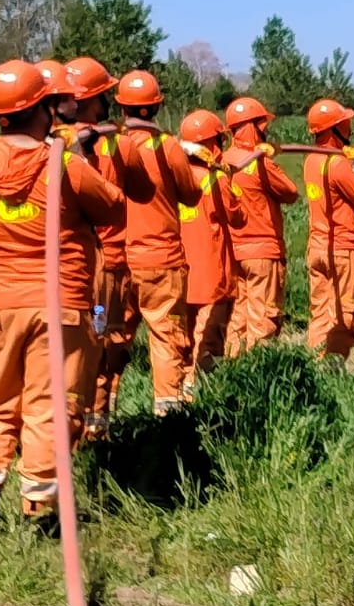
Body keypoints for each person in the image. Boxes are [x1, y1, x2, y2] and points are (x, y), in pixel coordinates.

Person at [0, 60, 123, 540]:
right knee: (48, 407)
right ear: (46, 108)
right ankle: (39, 515)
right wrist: (79, 154)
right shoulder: (64, 164)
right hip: (59, 306)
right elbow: (111, 204)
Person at [65, 56, 143, 438]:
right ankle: (94, 430)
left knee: (77, 347)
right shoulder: (117, 145)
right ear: (93, 98)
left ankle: (78, 429)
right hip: (109, 263)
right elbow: (141, 192)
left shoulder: (51, 145)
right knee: (107, 346)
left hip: (70, 266)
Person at [117, 70, 203, 414]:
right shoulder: (166, 146)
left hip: (115, 265)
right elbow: (192, 194)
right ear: (156, 107)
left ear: (121, 107)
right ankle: (168, 420)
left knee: (106, 336)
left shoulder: (110, 146)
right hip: (161, 263)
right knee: (168, 337)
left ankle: (96, 423)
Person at [222, 97, 298, 355]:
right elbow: (290, 192)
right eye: (262, 125)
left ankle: (233, 367)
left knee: (239, 315)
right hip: (263, 252)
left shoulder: (223, 160)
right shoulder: (259, 162)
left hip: (234, 252)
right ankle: (259, 371)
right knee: (263, 316)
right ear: (253, 127)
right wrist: (269, 160)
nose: (266, 130)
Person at [303, 99, 354, 363]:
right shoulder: (338, 163)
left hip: (318, 247)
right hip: (344, 249)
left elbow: (343, 191)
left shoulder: (312, 160)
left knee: (321, 310)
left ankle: (313, 363)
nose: (350, 126)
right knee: (346, 311)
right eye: (345, 122)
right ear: (335, 128)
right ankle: (332, 365)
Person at [178, 110, 245, 391]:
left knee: (183, 335)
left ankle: (180, 386)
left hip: (182, 272)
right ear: (213, 143)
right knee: (210, 336)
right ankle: (203, 390)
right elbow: (237, 217)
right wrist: (231, 182)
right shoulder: (216, 180)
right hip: (212, 274)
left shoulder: (175, 177)